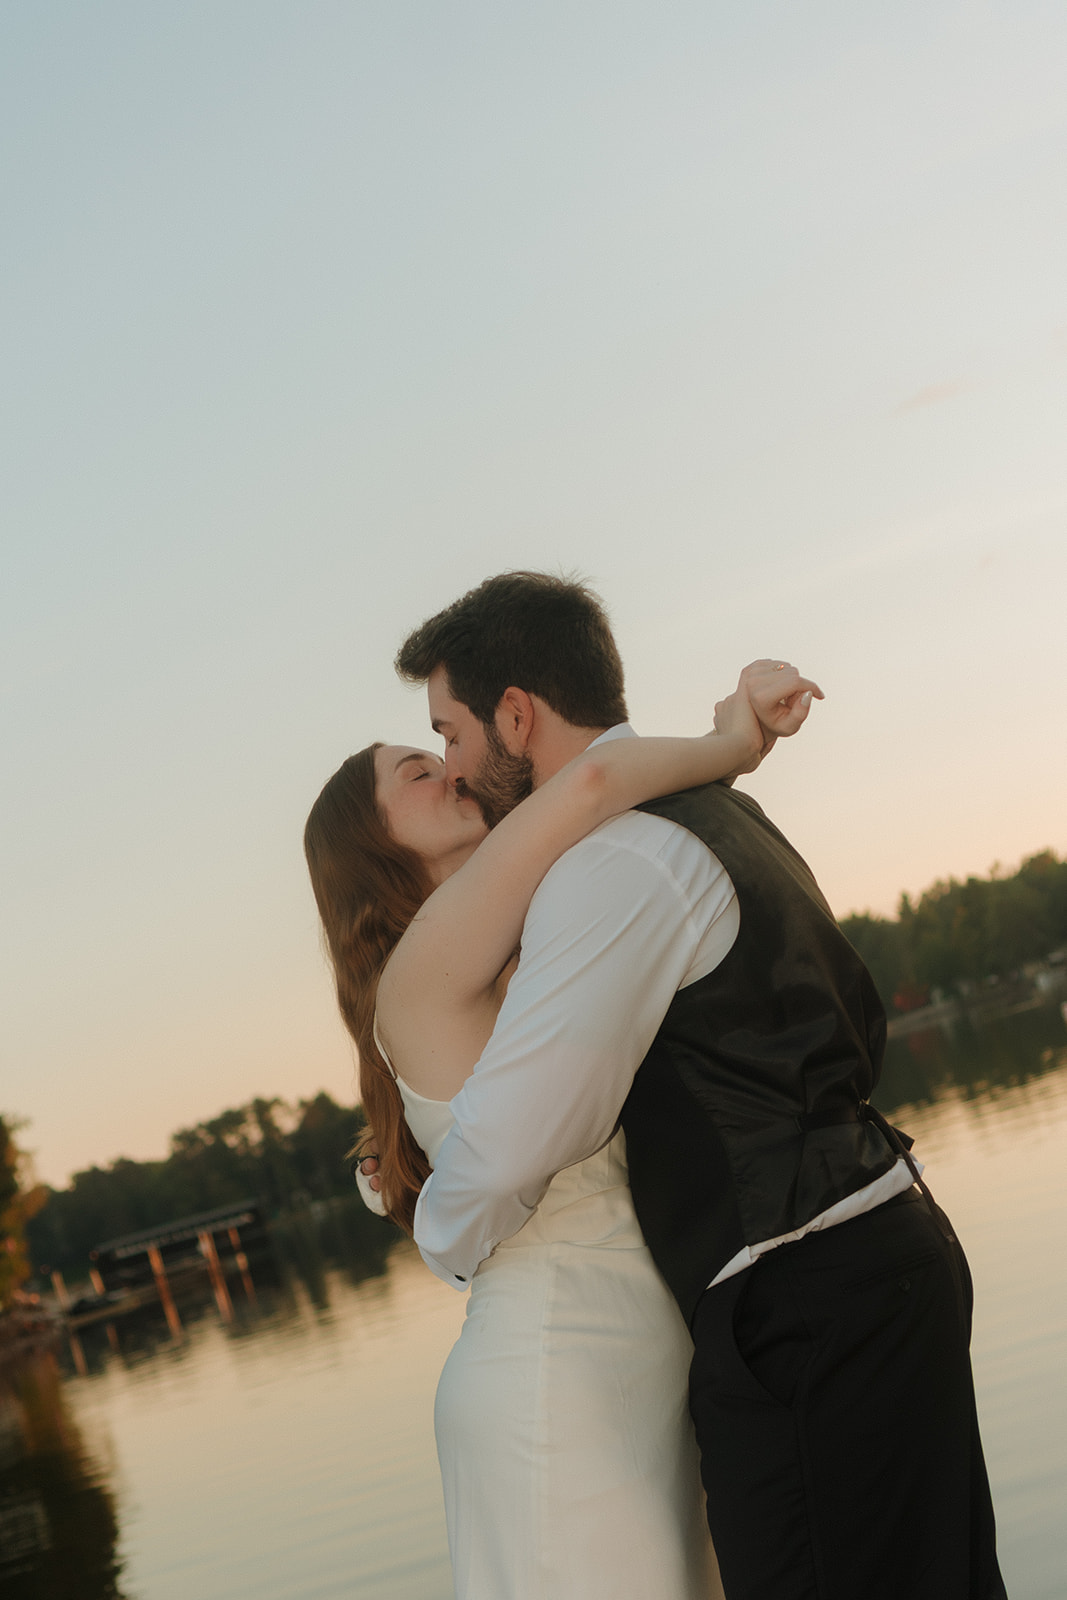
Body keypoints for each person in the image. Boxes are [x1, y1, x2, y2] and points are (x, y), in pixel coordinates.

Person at [395, 571, 1007, 1600]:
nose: (454, 769)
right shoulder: (717, 810)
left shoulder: (606, 868)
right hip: (876, 1255)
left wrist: (435, 1232)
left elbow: (514, 1140)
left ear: (515, 715)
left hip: (807, 1306)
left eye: (449, 733)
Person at [304, 661, 818, 1600]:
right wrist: (728, 746)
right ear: (368, 847)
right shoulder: (427, 967)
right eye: (417, 773)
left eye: (441, 751)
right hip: (555, 1365)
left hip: (640, 1357)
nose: (452, 773)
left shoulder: (534, 932)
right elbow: (587, 784)